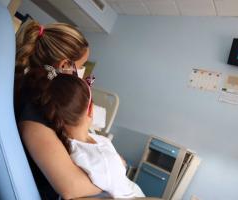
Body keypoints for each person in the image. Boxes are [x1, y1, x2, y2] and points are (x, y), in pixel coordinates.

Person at [14, 20, 101, 199]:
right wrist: (113, 173)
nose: (81, 74)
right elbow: (71, 187)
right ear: (63, 65)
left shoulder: (30, 87)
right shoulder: (36, 104)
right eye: (81, 67)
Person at [35, 66, 145, 198]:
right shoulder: (101, 160)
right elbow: (123, 193)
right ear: (91, 109)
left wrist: (116, 163)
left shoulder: (62, 144)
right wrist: (119, 165)